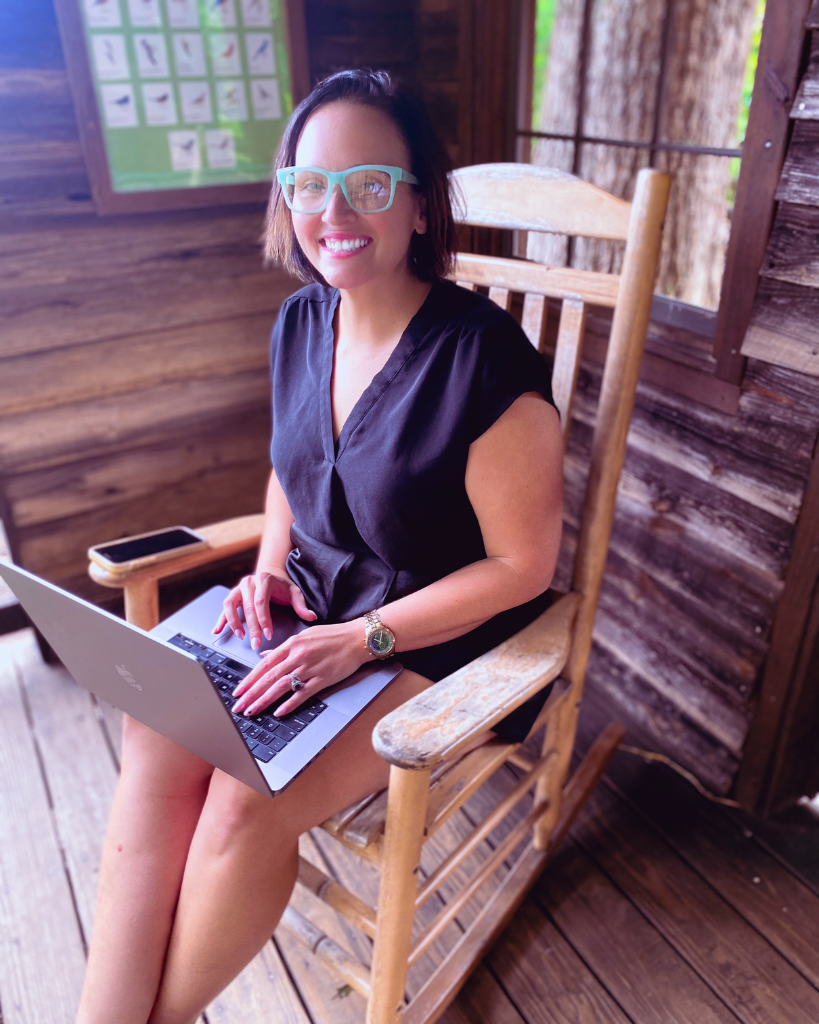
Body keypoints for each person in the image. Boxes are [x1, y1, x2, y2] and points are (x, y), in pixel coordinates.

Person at [76, 70, 563, 1024]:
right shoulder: (301, 323)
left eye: (370, 184)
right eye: (309, 183)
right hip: (311, 613)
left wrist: (365, 638)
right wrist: (265, 567)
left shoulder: (483, 360)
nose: (334, 210)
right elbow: (293, 470)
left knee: (243, 800)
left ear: (421, 203)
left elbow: (522, 567)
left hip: (432, 641)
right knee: (156, 728)